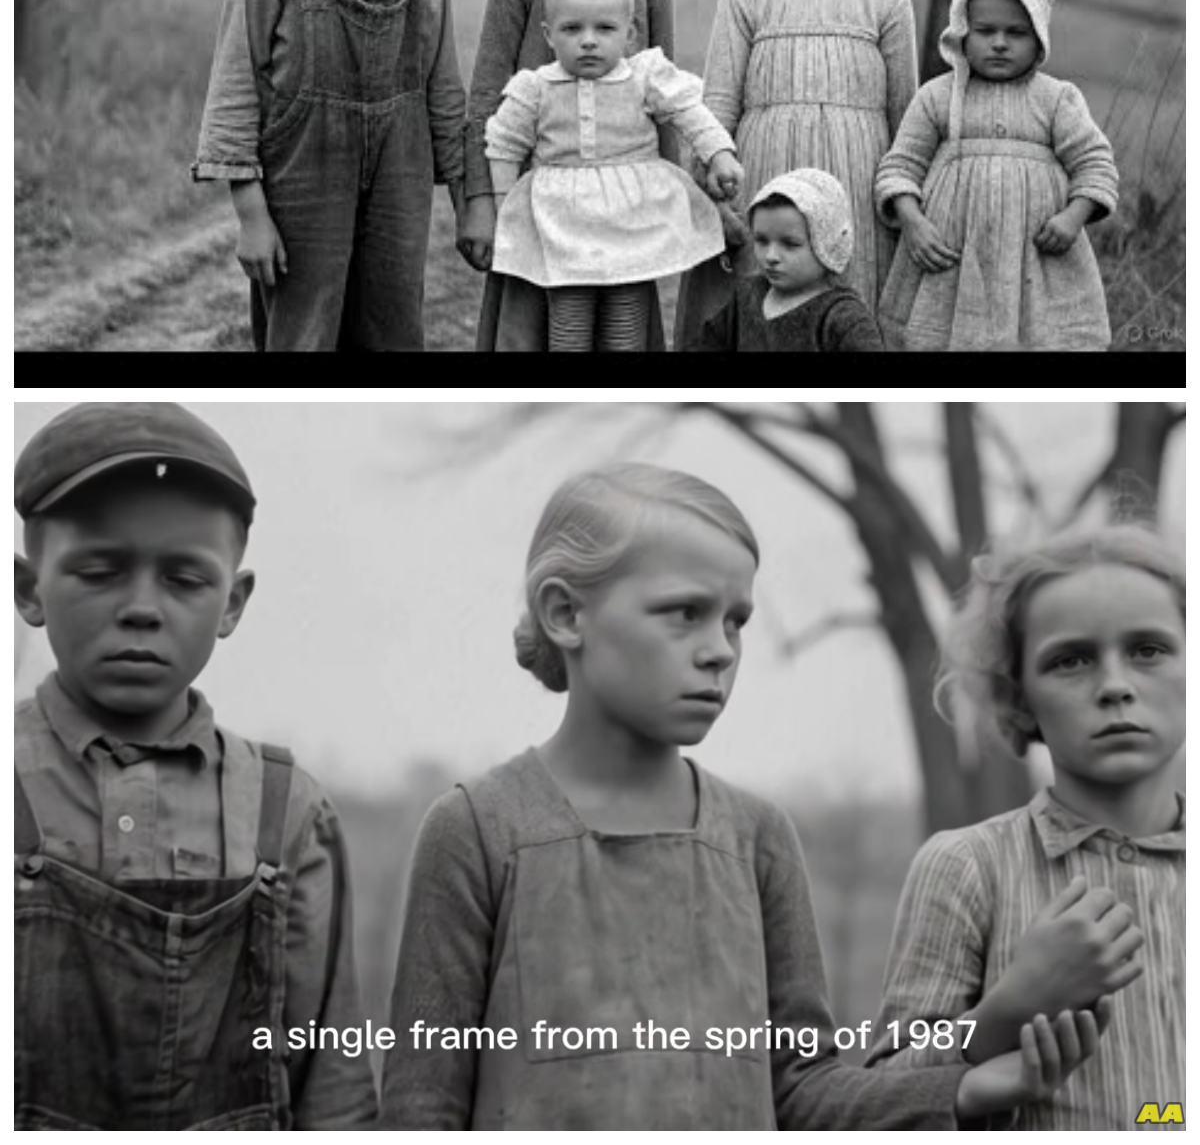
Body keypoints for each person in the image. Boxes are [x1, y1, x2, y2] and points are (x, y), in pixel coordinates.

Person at [380, 463, 1110, 1128]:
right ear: (566, 614)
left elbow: (803, 1093)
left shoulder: (757, 838)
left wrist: (959, 1088)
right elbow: (422, 1111)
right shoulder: (478, 829)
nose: (720, 649)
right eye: (683, 612)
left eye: (735, 621)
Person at [14, 403, 377, 1128]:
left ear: (232, 603)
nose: (142, 608)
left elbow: (332, 1086)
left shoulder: (286, 812)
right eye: (99, 570)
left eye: (183, 579)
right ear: (29, 590)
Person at [867, 525, 1184, 1129]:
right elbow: (882, 1104)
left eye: (1148, 649)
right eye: (1070, 660)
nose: (1116, 685)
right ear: (1018, 698)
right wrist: (1010, 1009)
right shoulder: (966, 867)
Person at [192, 0, 491, 351]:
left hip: (399, 175)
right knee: (302, 329)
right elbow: (235, 81)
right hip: (303, 173)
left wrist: (470, 203)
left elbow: (444, 90)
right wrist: (252, 217)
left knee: (394, 327)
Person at [675, 0, 918, 347]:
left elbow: (909, 130)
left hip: (854, 199)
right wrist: (716, 204)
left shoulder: (887, 2)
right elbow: (714, 113)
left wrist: (907, 211)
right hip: (764, 189)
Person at [468, 0, 679, 350]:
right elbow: (489, 91)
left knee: (624, 331)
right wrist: (480, 205)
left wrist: (671, 201)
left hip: (625, 206)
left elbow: (665, 101)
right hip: (541, 202)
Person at [486, 0, 742, 351]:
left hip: (631, 222)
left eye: (605, 28)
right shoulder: (536, 88)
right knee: (568, 320)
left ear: (630, 32)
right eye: (572, 28)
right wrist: (506, 207)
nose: (588, 40)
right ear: (549, 34)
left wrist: (719, 152)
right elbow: (504, 142)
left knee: (626, 322)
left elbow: (689, 111)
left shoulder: (644, 77)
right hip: (562, 227)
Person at [874, 0, 1119, 349]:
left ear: (1039, 33)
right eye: (986, 31)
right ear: (961, 31)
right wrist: (912, 222)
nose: (1000, 44)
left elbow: (1096, 165)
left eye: (1017, 33)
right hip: (951, 259)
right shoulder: (937, 98)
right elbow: (900, 166)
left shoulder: (1056, 100)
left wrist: (1073, 218)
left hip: (1038, 261)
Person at [691, 167, 884, 351]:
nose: (771, 256)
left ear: (826, 243)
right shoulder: (747, 295)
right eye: (761, 241)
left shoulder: (844, 319)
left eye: (790, 244)